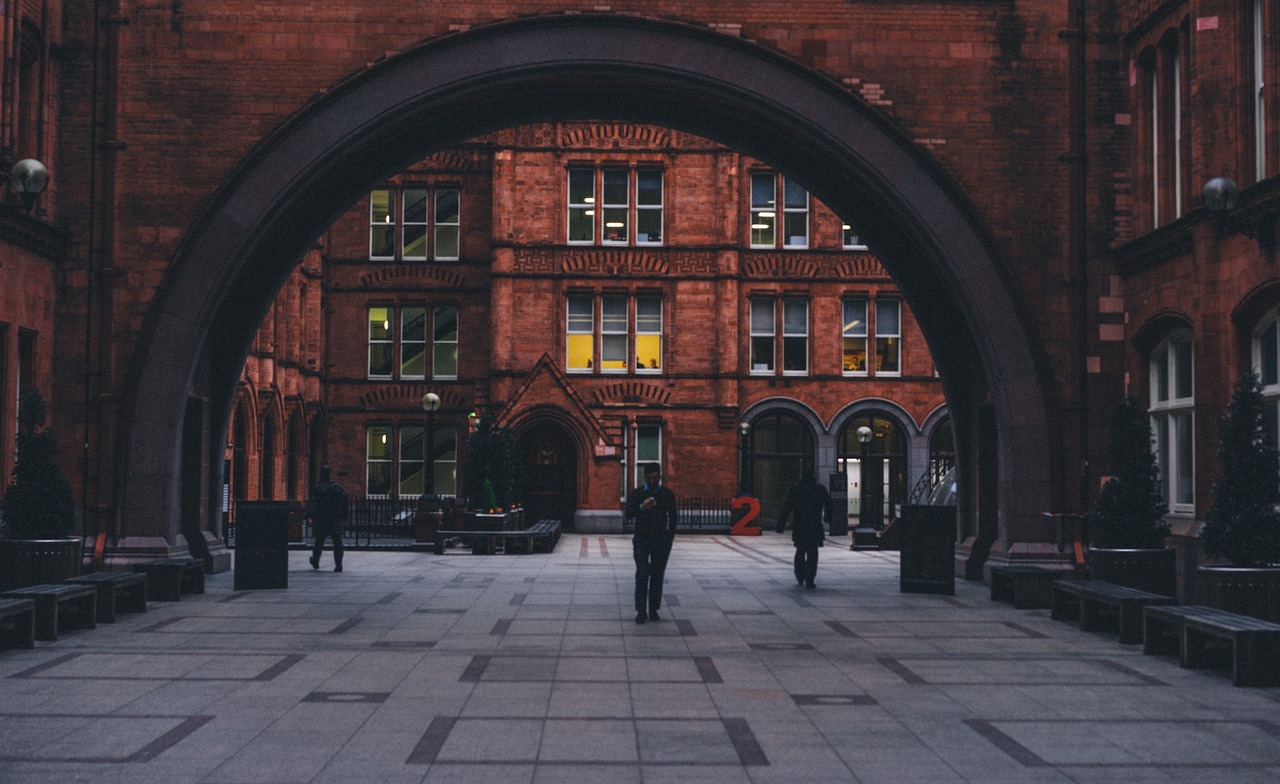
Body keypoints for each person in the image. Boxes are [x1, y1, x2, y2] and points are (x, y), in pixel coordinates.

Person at [626, 463, 677, 624]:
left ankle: (653, 609)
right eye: (650, 479)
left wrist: (669, 539)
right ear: (645, 477)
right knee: (642, 573)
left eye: (656, 478)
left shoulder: (667, 494)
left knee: (657, 575)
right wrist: (642, 507)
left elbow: (673, 518)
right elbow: (628, 514)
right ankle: (641, 610)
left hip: (661, 540)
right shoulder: (638, 493)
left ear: (660, 477)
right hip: (642, 538)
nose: (653, 481)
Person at [776, 468, 833, 589]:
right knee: (813, 552)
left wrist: (781, 525)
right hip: (814, 525)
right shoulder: (819, 489)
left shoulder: (796, 490)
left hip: (800, 525)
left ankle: (800, 576)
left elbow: (787, 507)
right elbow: (829, 504)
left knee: (800, 550)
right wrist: (829, 518)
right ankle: (810, 578)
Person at [307, 465, 349, 572]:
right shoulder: (337, 488)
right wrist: (344, 517)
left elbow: (313, 504)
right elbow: (344, 503)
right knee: (337, 541)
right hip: (335, 518)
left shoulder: (317, 488)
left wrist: (311, 516)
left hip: (322, 518)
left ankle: (315, 560)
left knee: (319, 541)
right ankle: (338, 564)